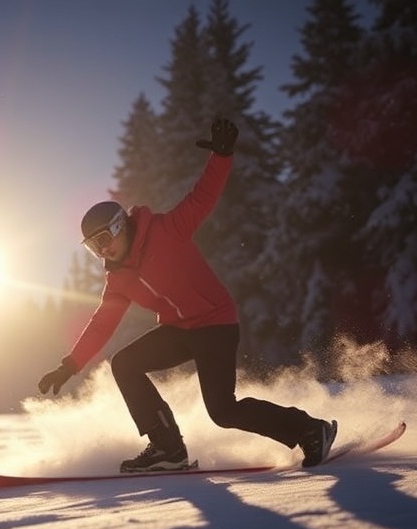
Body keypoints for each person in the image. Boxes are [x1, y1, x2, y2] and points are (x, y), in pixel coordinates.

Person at [36, 117, 337, 473]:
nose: (101, 251)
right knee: (125, 364)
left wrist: (222, 157)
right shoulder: (119, 278)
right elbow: (102, 323)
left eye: (103, 240)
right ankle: (168, 448)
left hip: (215, 324)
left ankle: (309, 429)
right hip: (179, 330)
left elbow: (203, 197)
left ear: (119, 226)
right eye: (92, 248)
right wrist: (69, 365)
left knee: (223, 411)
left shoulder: (167, 230)